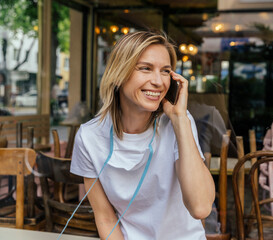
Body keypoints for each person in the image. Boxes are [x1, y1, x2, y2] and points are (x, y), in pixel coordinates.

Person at [70, 31, 215, 240]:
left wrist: (180, 120)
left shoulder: (178, 123)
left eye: (165, 71)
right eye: (145, 68)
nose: (158, 81)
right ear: (119, 73)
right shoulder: (89, 137)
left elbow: (200, 208)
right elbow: (105, 219)